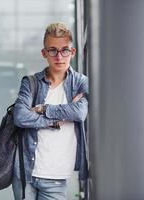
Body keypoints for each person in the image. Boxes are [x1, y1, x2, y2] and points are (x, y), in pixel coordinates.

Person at [13, 22, 89, 200]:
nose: (59, 56)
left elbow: (79, 113)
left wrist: (43, 109)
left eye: (64, 50)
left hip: (56, 176)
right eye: (52, 50)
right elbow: (20, 116)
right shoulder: (31, 83)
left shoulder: (80, 83)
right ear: (44, 53)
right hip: (24, 174)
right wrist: (54, 121)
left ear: (73, 52)